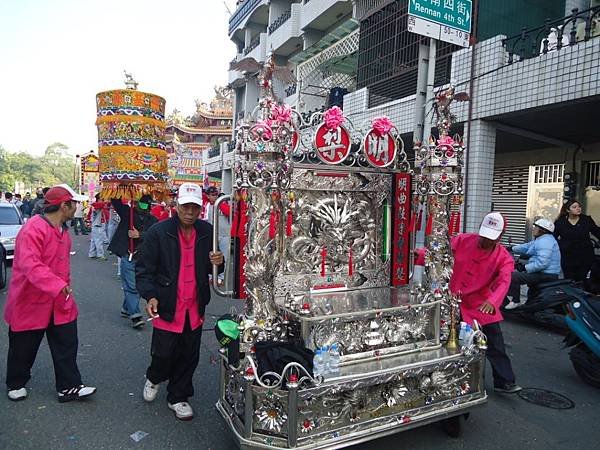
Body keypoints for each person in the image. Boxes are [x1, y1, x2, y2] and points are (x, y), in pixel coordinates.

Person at [136, 183, 224, 421]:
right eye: (185, 206)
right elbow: (144, 270)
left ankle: (178, 396)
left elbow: (214, 267)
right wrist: (151, 295)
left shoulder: (207, 231)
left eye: (194, 207)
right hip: (167, 304)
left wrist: (219, 260)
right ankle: (154, 377)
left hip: (195, 307)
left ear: (199, 208)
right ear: (176, 205)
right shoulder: (158, 232)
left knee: (189, 355)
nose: (190, 212)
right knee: (163, 354)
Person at [3, 184, 96, 402]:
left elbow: (64, 268)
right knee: (23, 346)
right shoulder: (33, 228)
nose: (77, 207)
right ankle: (16, 382)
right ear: (64, 205)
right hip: (30, 299)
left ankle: (69, 386)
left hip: (59, 300)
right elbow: (30, 265)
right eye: (74, 203)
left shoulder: (63, 231)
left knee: (67, 343)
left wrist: (63, 290)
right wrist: (57, 285)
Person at [450, 212, 522, 394]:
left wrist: (493, 301)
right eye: (484, 235)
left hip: (481, 305)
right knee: (457, 345)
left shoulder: (503, 257)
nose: (486, 240)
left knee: (495, 343)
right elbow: (439, 253)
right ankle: (464, 381)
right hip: (452, 301)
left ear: (500, 236)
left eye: (491, 237)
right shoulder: (463, 240)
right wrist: (419, 255)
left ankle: (504, 380)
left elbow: (504, 282)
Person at [108, 194, 158, 328]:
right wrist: (123, 187)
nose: (144, 208)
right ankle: (135, 314)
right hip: (127, 254)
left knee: (137, 285)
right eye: (142, 204)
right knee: (132, 286)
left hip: (143, 258)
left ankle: (127, 307)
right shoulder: (127, 213)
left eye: (147, 205)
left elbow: (155, 235)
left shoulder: (153, 220)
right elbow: (115, 201)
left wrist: (139, 235)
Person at [504, 218, 561, 309]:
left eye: (536, 227)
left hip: (546, 274)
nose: (533, 229)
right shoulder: (543, 240)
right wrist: (511, 248)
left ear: (542, 230)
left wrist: (525, 267)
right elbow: (527, 247)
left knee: (512, 276)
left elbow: (542, 263)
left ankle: (515, 301)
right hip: (546, 273)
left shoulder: (545, 242)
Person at [553, 199, 600, 282]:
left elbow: (597, 231)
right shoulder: (560, 222)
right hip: (568, 257)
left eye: (579, 206)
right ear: (568, 210)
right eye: (574, 207)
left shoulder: (586, 220)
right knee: (569, 280)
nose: (578, 209)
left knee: (582, 280)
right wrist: (562, 245)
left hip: (585, 256)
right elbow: (553, 237)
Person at [202, 186, 231, 286]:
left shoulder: (222, 204)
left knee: (223, 257)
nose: (214, 197)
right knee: (210, 256)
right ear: (208, 195)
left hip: (224, 235)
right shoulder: (206, 206)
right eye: (212, 195)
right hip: (212, 235)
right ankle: (210, 276)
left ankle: (220, 278)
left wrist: (221, 205)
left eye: (216, 195)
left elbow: (230, 214)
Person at [87, 194, 109, 260]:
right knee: (99, 240)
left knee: (94, 240)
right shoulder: (97, 205)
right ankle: (100, 255)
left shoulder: (96, 206)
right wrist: (106, 201)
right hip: (98, 225)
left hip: (96, 224)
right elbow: (101, 205)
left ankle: (92, 254)